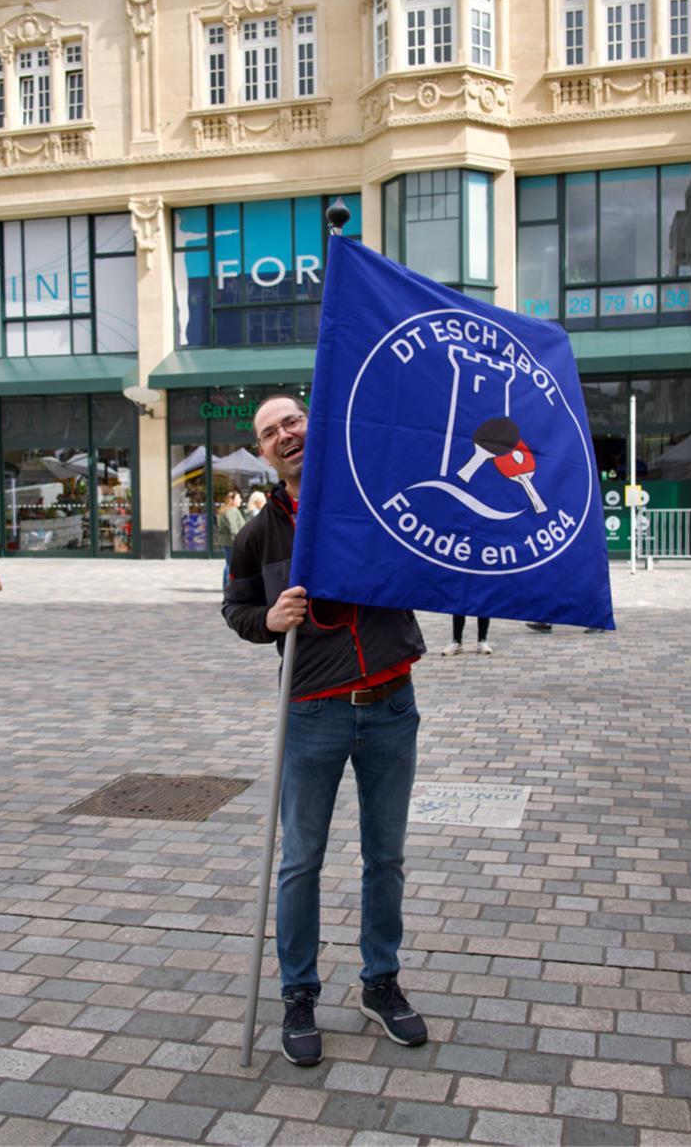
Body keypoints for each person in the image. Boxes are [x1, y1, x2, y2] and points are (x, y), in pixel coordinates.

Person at [223, 395, 428, 1068]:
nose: (285, 434)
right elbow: (237, 608)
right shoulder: (256, 536)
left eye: (292, 420)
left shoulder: (375, 495)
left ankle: (379, 982)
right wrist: (268, 620)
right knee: (300, 860)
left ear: (314, 421)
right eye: (269, 432)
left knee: (386, 857)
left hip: (392, 702)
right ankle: (298, 993)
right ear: (261, 453)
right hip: (312, 711)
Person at [215, 490, 245, 586]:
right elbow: (234, 528)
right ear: (232, 500)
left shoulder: (231, 510)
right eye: (238, 498)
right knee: (230, 566)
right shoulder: (231, 511)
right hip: (231, 542)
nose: (241, 500)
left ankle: (228, 587)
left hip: (229, 542)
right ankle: (228, 587)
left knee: (229, 565)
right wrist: (239, 542)